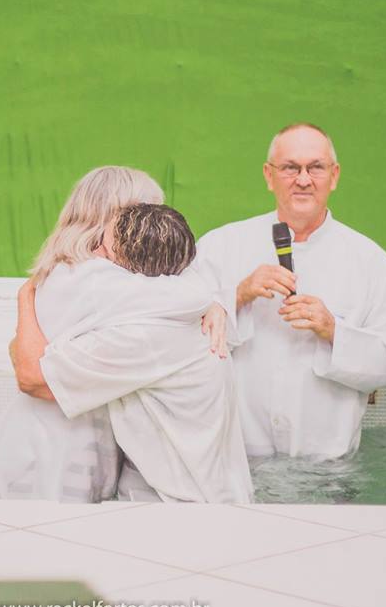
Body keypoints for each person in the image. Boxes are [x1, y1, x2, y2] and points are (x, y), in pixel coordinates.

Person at [13, 203, 253, 503]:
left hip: (178, 508)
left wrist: (26, 294)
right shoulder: (188, 311)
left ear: (130, 272)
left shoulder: (144, 337)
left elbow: (32, 378)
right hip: (220, 494)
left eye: (104, 248)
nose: (94, 253)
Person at [193, 123, 386, 460]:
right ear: (269, 175)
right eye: (290, 167)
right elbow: (183, 344)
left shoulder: (371, 262)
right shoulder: (220, 247)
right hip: (238, 465)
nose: (303, 180)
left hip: (328, 470)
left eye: (316, 167)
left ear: (334, 176)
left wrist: (333, 330)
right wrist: (238, 295)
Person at [0, 166, 164, 502]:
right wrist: (217, 302)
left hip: (26, 449)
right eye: (150, 214)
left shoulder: (62, 271)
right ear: (117, 217)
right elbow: (181, 297)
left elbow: (19, 350)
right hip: (50, 460)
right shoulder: (101, 281)